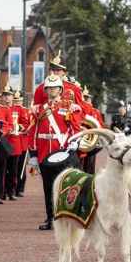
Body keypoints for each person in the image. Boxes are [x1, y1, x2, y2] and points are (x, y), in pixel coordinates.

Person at [29, 74, 84, 230]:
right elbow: (33, 132)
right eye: (49, 88)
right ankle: (51, 219)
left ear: (60, 89)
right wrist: (33, 154)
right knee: (48, 188)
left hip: (63, 152)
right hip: (44, 152)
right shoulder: (39, 109)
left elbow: (75, 128)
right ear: (45, 90)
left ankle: (68, 217)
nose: (52, 90)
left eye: (55, 87)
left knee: (66, 186)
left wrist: (75, 142)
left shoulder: (68, 107)